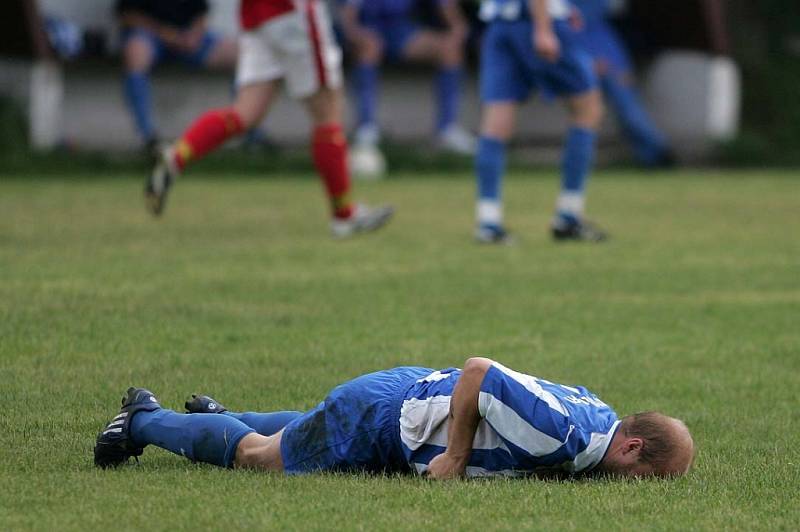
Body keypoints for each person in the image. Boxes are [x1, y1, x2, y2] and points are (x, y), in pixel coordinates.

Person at [94, 357, 695, 479]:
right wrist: (455, 460)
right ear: (633, 447)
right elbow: (480, 373)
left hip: (402, 404)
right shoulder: (564, 436)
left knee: (302, 427)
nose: (642, 492)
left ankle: (218, 417)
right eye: (651, 480)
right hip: (385, 414)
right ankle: (145, 419)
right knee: (260, 457)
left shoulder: (599, 420)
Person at [145, 0, 394, 238]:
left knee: (246, 112)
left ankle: (177, 156)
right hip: (292, 12)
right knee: (328, 112)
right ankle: (344, 215)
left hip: (256, 14)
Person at [474, 0, 607, 244]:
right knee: (588, 108)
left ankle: (488, 221)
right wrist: (543, 27)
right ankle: (568, 215)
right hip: (535, 20)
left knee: (496, 121)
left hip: (499, 24)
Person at [339, 0, 477, 159]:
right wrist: (356, 34)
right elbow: (348, 19)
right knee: (369, 48)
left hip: (401, 31)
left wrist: (457, 28)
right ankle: (366, 128)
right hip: (366, 28)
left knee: (449, 51)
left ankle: (447, 130)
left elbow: (444, 5)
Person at [116, 0, 239, 151]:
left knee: (242, 56)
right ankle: (148, 138)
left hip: (187, 36)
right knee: (135, 53)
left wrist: (194, 35)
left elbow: (201, 11)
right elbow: (126, 14)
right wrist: (166, 34)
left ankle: (249, 129)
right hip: (149, 35)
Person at [571, 0, 674, 168]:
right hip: (585, 58)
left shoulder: (593, 10)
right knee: (594, 112)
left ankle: (659, 155)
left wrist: (608, 61)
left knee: (628, 110)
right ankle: (655, 155)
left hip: (608, 61)